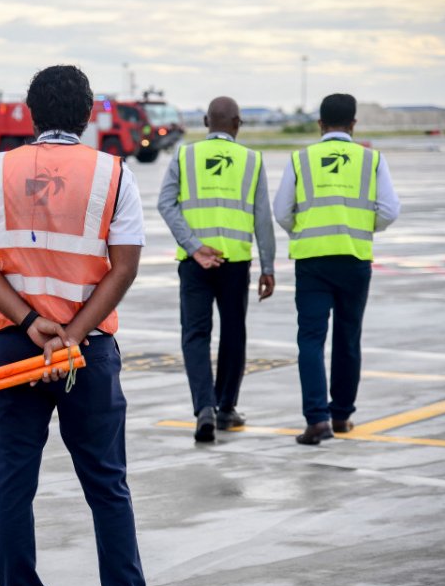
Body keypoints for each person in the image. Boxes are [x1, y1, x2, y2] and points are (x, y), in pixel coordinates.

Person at [0, 65, 147, 586]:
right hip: (85, 351)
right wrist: (73, 333)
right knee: (108, 486)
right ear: (88, 114)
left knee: (13, 489)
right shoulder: (113, 173)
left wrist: (27, 322)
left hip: (14, 347)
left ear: (31, 112)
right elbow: (124, 266)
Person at [273, 93, 400, 445]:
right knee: (348, 337)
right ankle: (342, 415)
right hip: (354, 257)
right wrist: (360, 226)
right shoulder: (372, 159)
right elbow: (390, 209)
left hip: (312, 260)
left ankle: (317, 420)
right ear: (354, 124)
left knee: (311, 340)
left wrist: (303, 230)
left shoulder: (301, 159)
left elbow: (282, 210)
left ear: (320, 123)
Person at [158, 96, 276, 443]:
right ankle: (226, 408)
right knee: (233, 332)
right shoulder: (252, 160)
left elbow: (165, 204)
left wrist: (194, 247)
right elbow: (262, 219)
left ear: (207, 121)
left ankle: (203, 408)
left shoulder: (184, 155)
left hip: (195, 264)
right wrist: (268, 266)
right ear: (238, 124)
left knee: (195, 335)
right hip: (235, 262)